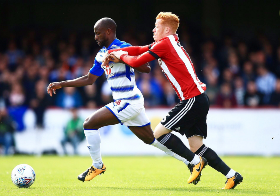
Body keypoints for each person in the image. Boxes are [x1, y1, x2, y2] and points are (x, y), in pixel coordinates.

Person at [47, 17, 202, 184]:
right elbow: (89, 79)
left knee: (89, 124)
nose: (95, 37)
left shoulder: (124, 47)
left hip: (128, 100)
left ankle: (97, 165)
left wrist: (121, 57)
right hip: (128, 101)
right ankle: (193, 162)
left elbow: (146, 68)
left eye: (98, 33)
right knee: (151, 139)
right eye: (94, 34)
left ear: (108, 31)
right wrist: (62, 84)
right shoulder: (101, 54)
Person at [108, 12, 243, 189]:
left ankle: (195, 162)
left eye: (156, 27)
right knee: (196, 145)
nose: (153, 29)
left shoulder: (165, 44)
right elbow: (140, 49)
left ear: (166, 29)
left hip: (192, 99)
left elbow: (138, 60)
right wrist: (115, 51)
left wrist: (120, 57)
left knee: (158, 134)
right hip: (199, 99)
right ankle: (232, 175)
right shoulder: (167, 43)